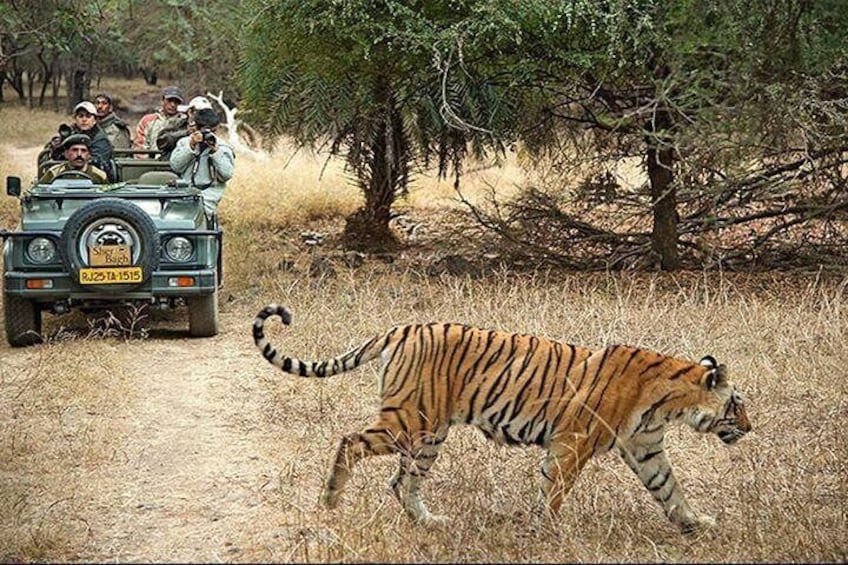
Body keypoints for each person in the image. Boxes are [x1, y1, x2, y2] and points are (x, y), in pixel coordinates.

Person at [169, 108, 235, 219]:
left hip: (209, 197)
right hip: (184, 194)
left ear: (216, 129)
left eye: (212, 131)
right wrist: (191, 146)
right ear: (197, 127)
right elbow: (176, 166)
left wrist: (215, 152)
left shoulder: (223, 148)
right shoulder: (184, 143)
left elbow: (226, 175)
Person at [41, 101, 114, 178]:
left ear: (95, 120)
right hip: (68, 173)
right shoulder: (71, 132)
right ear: (75, 119)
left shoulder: (100, 139)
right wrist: (56, 147)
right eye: (81, 116)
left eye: (88, 116)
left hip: (91, 176)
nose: (84, 120)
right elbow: (53, 156)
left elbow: (97, 162)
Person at [134, 85, 187, 155]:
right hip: (151, 163)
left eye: (176, 102)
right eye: (169, 100)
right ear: (162, 100)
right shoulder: (147, 120)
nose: (173, 105)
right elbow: (139, 147)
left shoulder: (185, 122)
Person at [39, 134, 109, 184]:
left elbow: (107, 199)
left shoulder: (99, 175)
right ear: (66, 154)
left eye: (83, 151)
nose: (79, 154)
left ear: (89, 155)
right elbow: (39, 192)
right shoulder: (54, 172)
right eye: (75, 150)